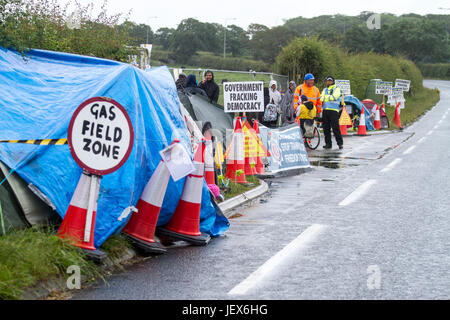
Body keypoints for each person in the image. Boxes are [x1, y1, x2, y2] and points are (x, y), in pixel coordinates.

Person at [320, 76, 343, 149]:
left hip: (334, 111)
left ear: (332, 81)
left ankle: (340, 143)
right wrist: (328, 97)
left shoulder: (337, 89)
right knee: (326, 128)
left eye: (329, 81)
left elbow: (334, 97)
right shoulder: (325, 89)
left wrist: (326, 97)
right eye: (327, 81)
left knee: (335, 128)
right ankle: (328, 144)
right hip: (325, 110)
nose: (328, 82)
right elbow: (321, 98)